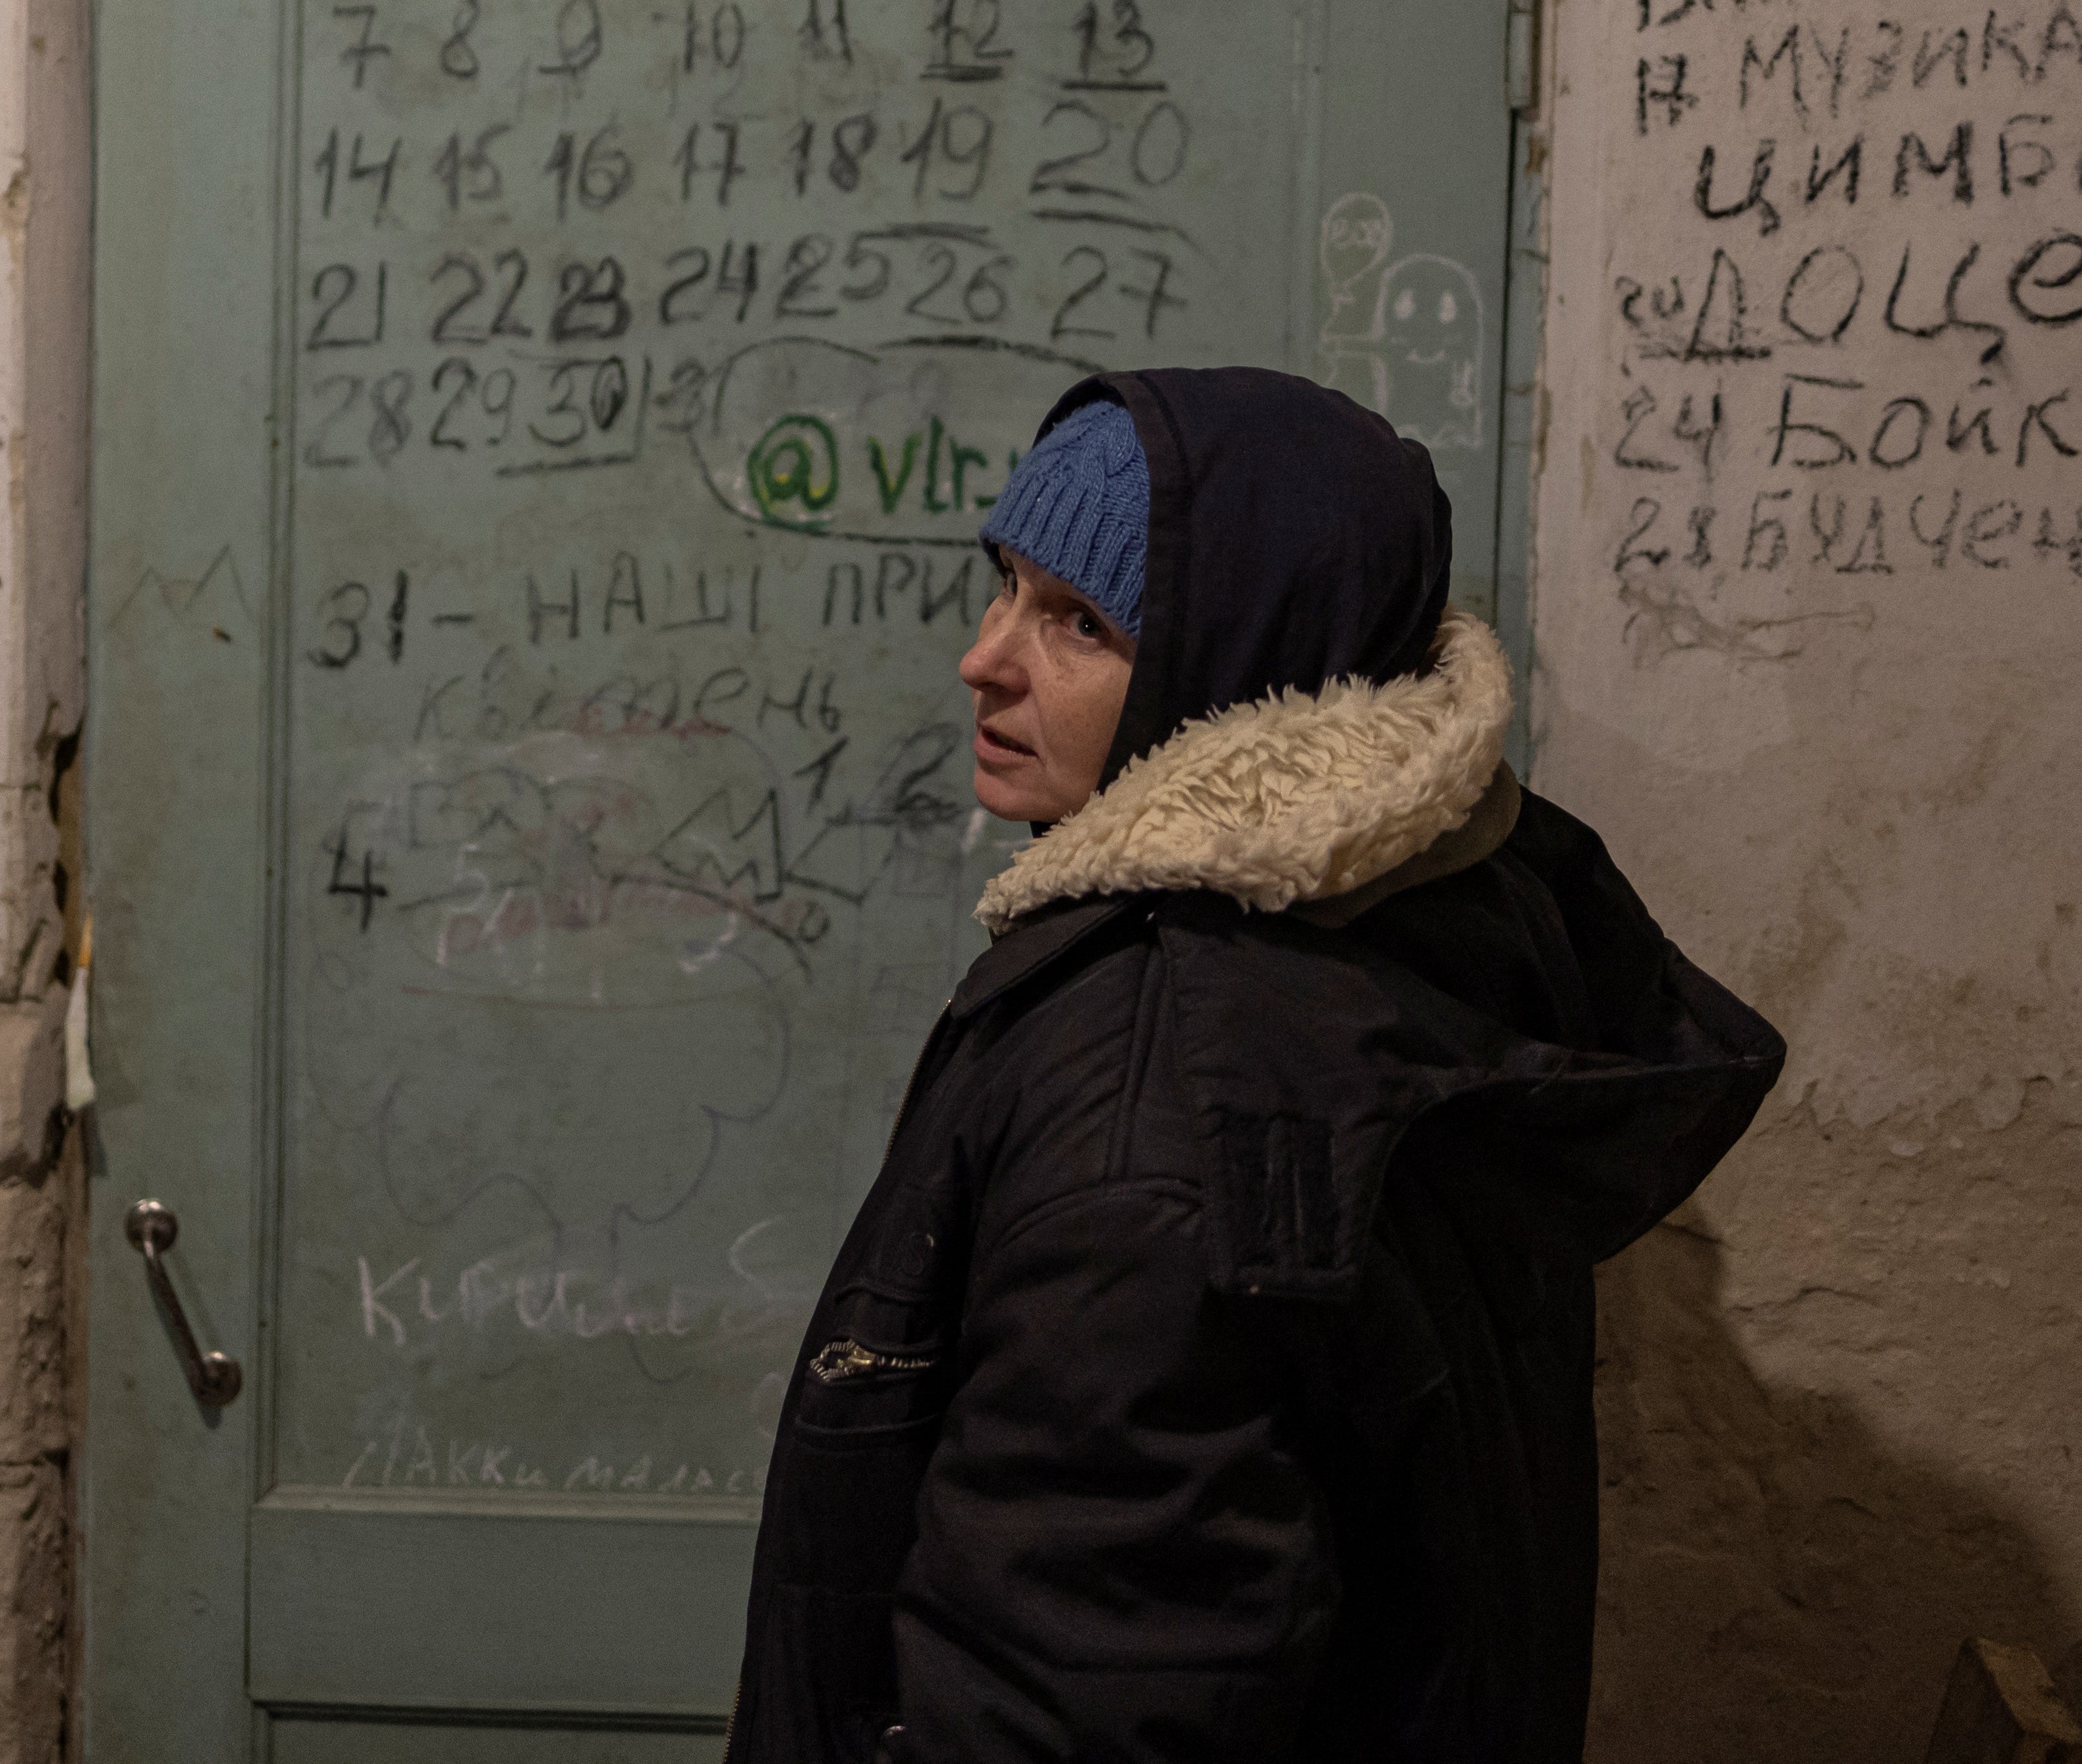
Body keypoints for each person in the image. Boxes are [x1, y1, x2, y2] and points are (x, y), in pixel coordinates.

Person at [728, 368, 1786, 1762]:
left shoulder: (1155, 1098)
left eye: (1080, 621)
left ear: (1233, 660)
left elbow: (1087, 1693)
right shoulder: (1429, 918)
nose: (988, 655)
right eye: (1005, 584)